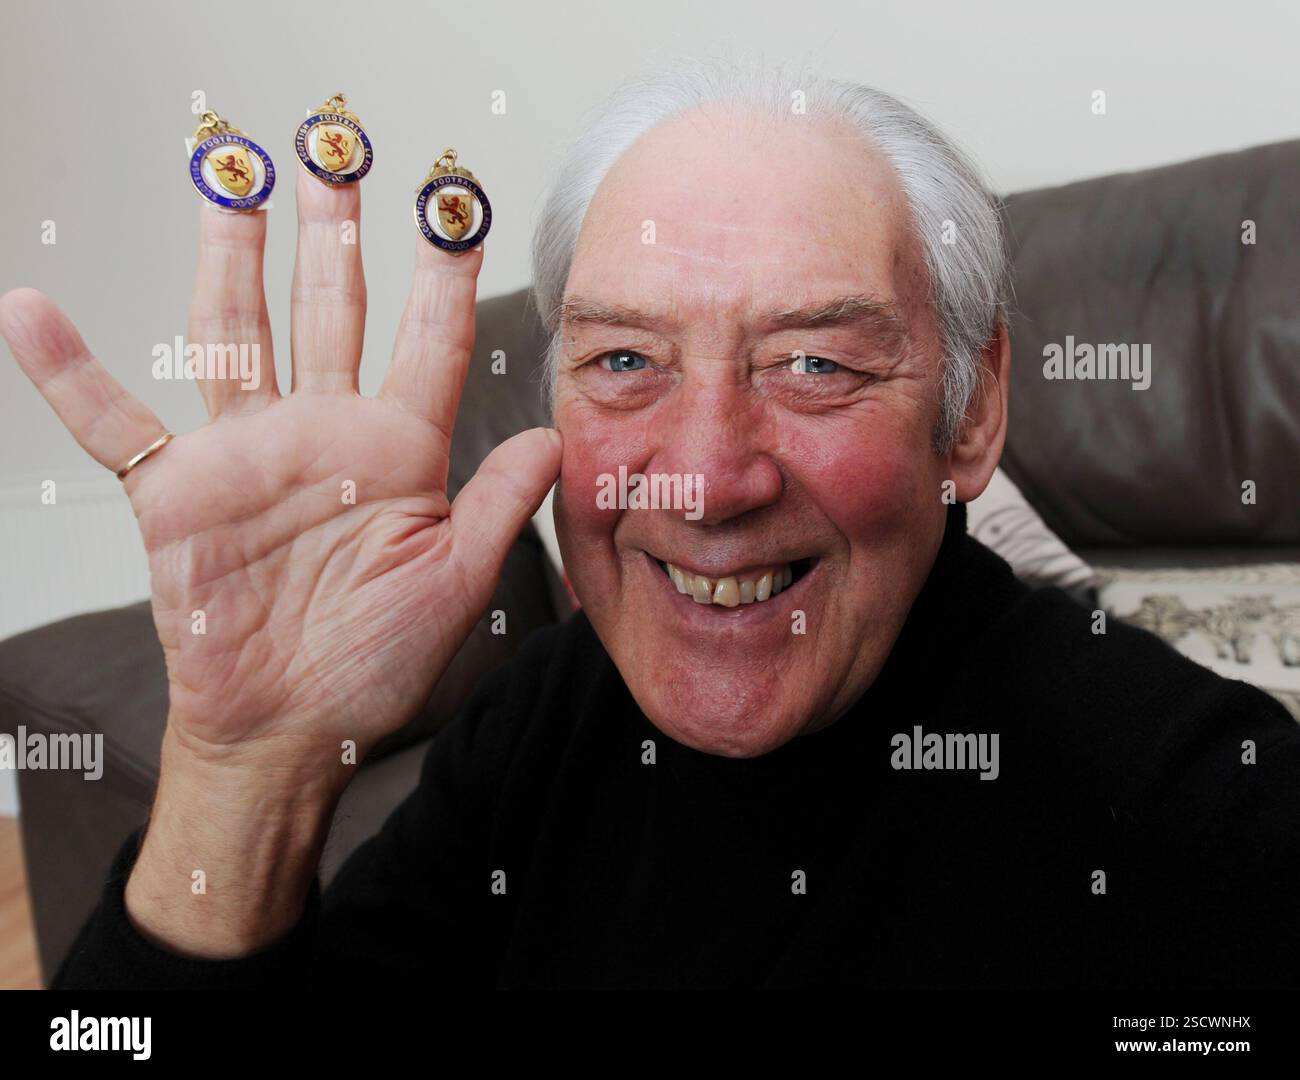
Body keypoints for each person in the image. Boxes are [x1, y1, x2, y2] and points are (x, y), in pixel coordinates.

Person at [3, 58, 1296, 989]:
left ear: (969, 413)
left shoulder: (1200, 813)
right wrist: (246, 777)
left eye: (815, 365)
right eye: (627, 360)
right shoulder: (556, 708)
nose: (706, 477)